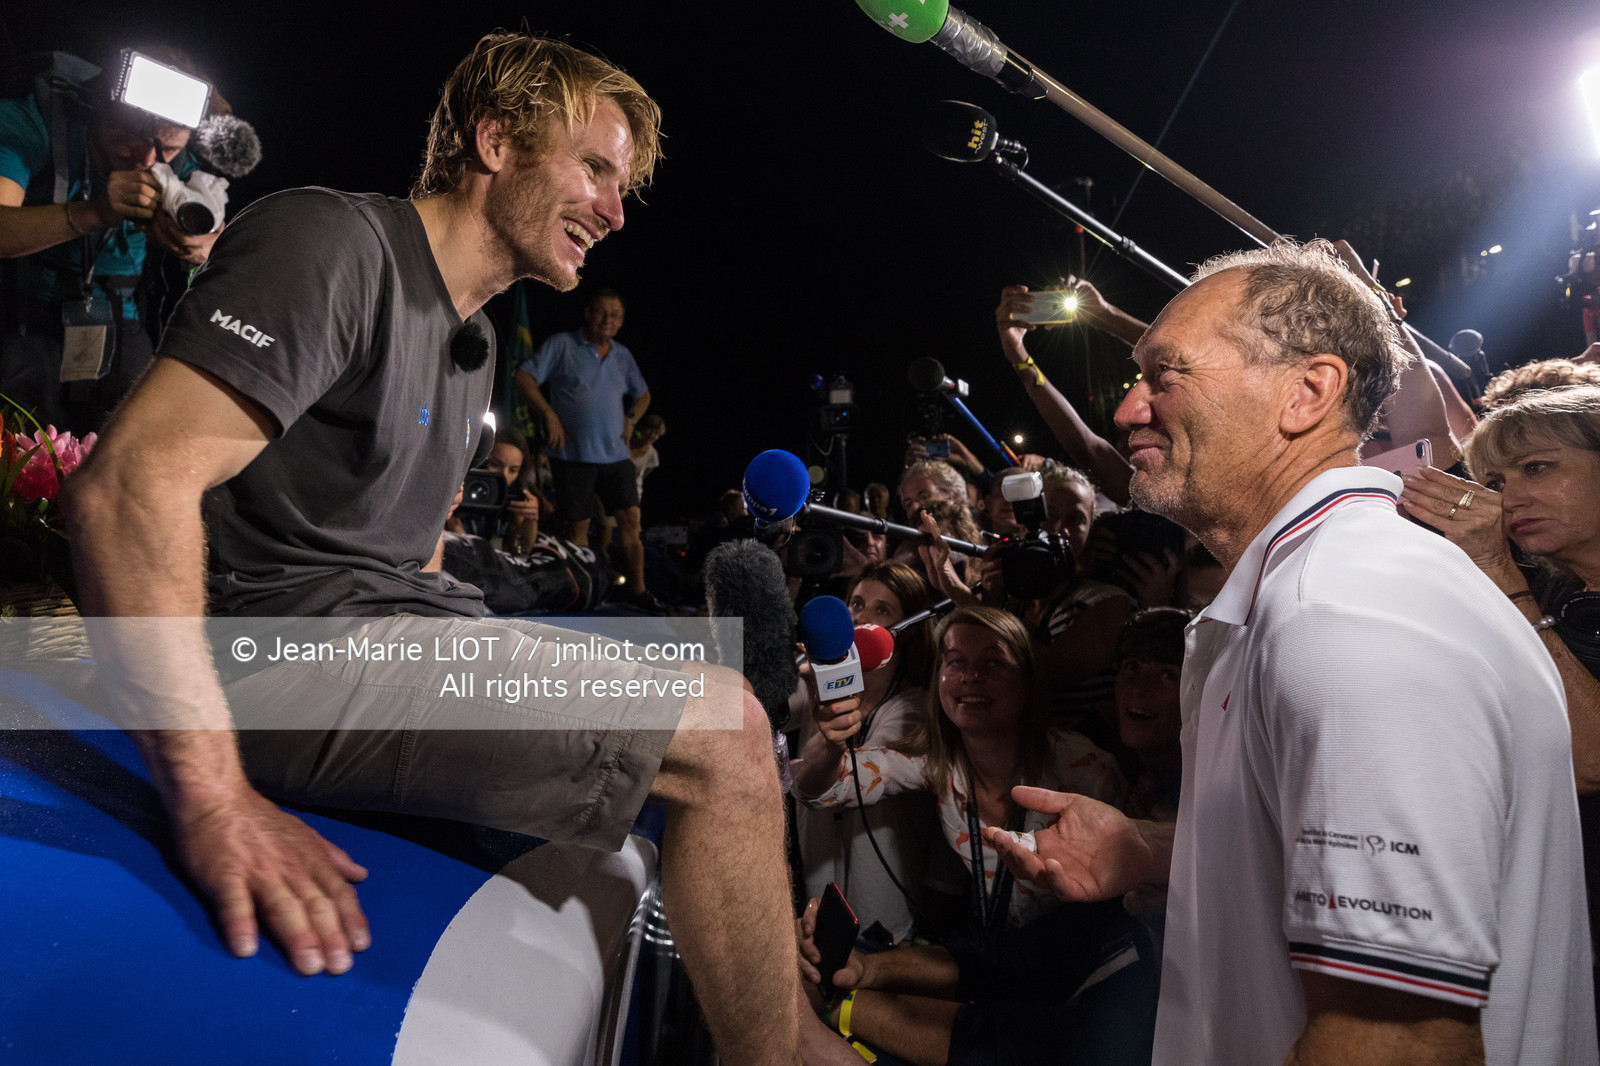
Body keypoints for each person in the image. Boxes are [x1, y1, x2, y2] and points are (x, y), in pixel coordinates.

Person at [64, 34, 806, 1065]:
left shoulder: (477, 343)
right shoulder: (333, 240)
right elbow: (126, 488)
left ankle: (780, 1017)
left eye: (622, 186)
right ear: (495, 142)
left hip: (385, 639)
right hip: (283, 665)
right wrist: (214, 798)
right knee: (727, 731)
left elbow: (409, 570)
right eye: (595, 169)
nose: (615, 210)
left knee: (703, 691)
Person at [987, 239, 1595, 1065]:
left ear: (1308, 392)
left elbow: (1401, 1043)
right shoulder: (1308, 592)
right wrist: (1152, 849)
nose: (1129, 410)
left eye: (1166, 375)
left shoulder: (1350, 614)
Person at [797, 606, 1125, 934]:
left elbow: (1128, 892)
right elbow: (823, 790)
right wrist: (831, 743)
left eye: (993, 662)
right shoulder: (935, 763)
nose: (970, 676)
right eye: (956, 662)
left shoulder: (1087, 769)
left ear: (1027, 678)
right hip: (998, 951)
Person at [0, 47, 222, 434]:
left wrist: (201, 245)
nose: (147, 159)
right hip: (23, 309)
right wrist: (95, 212)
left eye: (169, 149)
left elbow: (216, 229)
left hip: (119, 314)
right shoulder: (31, 122)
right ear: (98, 105)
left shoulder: (169, 156)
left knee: (132, 438)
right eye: (133, 137)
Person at [791, 562, 939, 944]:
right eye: (856, 604)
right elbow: (754, 708)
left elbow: (845, 783)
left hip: (883, 920)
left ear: (907, 630)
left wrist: (791, 766)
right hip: (816, 899)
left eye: (881, 610)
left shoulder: (917, 710)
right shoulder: (815, 680)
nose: (861, 618)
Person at [513, 287, 657, 610]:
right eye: (601, 312)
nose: (608, 320)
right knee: (577, 525)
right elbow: (523, 378)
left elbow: (643, 395)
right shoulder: (562, 344)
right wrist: (548, 413)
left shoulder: (623, 356)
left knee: (631, 521)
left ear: (621, 322)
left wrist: (631, 419)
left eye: (615, 315)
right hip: (572, 455)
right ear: (588, 314)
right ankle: (579, 592)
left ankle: (639, 592)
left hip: (616, 455)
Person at [628, 410, 664, 501]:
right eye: (649, 429)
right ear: (641, 427)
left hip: (632, 494)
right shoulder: (626, 441)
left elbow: (643, 476)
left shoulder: (652, 454)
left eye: (656, 433)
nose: (652, 435)